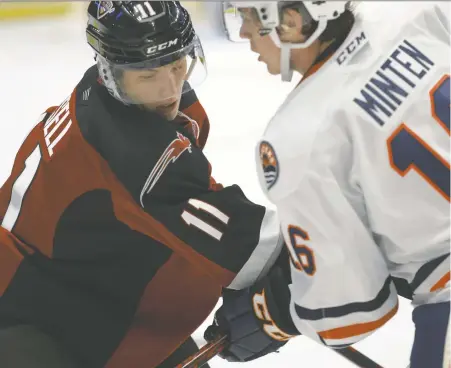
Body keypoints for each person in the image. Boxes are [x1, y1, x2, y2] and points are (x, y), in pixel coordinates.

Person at [0, 1, 284, 367]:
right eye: (148, 76)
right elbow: (254, 246)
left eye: (177, 65)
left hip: (76, 293)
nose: (169, 90)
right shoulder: (132, 152)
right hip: (29, 324)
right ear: (109, 70)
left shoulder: (106, 99)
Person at [205, 2, 450, 367]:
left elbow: (353, 312)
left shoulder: (297, 137)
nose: (242, 33)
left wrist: (278, 313)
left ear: (289, 23)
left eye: (250, 19)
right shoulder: (417, 13)